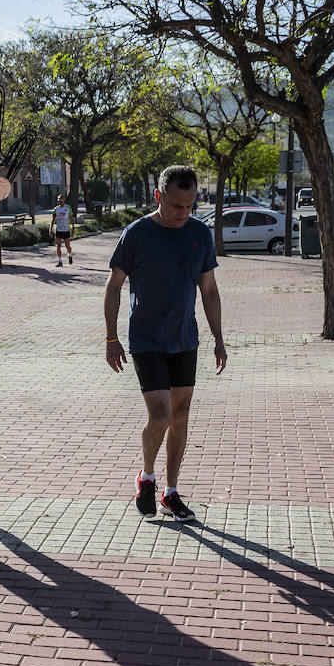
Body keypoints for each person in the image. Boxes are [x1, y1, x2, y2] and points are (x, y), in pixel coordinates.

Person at [104, 164, 226, 524]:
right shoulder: (136, 234)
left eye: (189, 206)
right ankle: (147, 476)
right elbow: (113, 287)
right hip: (146, 339)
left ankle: (170, 492)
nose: (183, 213)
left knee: (181, 415)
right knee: (159, 415)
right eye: (176, 206)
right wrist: (111, 338)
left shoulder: (199, 234)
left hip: (184, 338)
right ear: (158, 197)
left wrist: (219, 339)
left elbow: (209, 290)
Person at [50, 194, 74, 266]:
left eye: (61, 200)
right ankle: (60, 261)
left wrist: (73, 227)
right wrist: (50, 229)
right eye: (59, 200)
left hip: (66, 230)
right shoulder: (56, 209)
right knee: (58, 246)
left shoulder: (68, 208)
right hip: (58, 230)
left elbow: (71, 218)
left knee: (68, 246)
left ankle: (69, 255)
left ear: (64, 200)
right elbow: (53, 220)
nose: (60, 201)